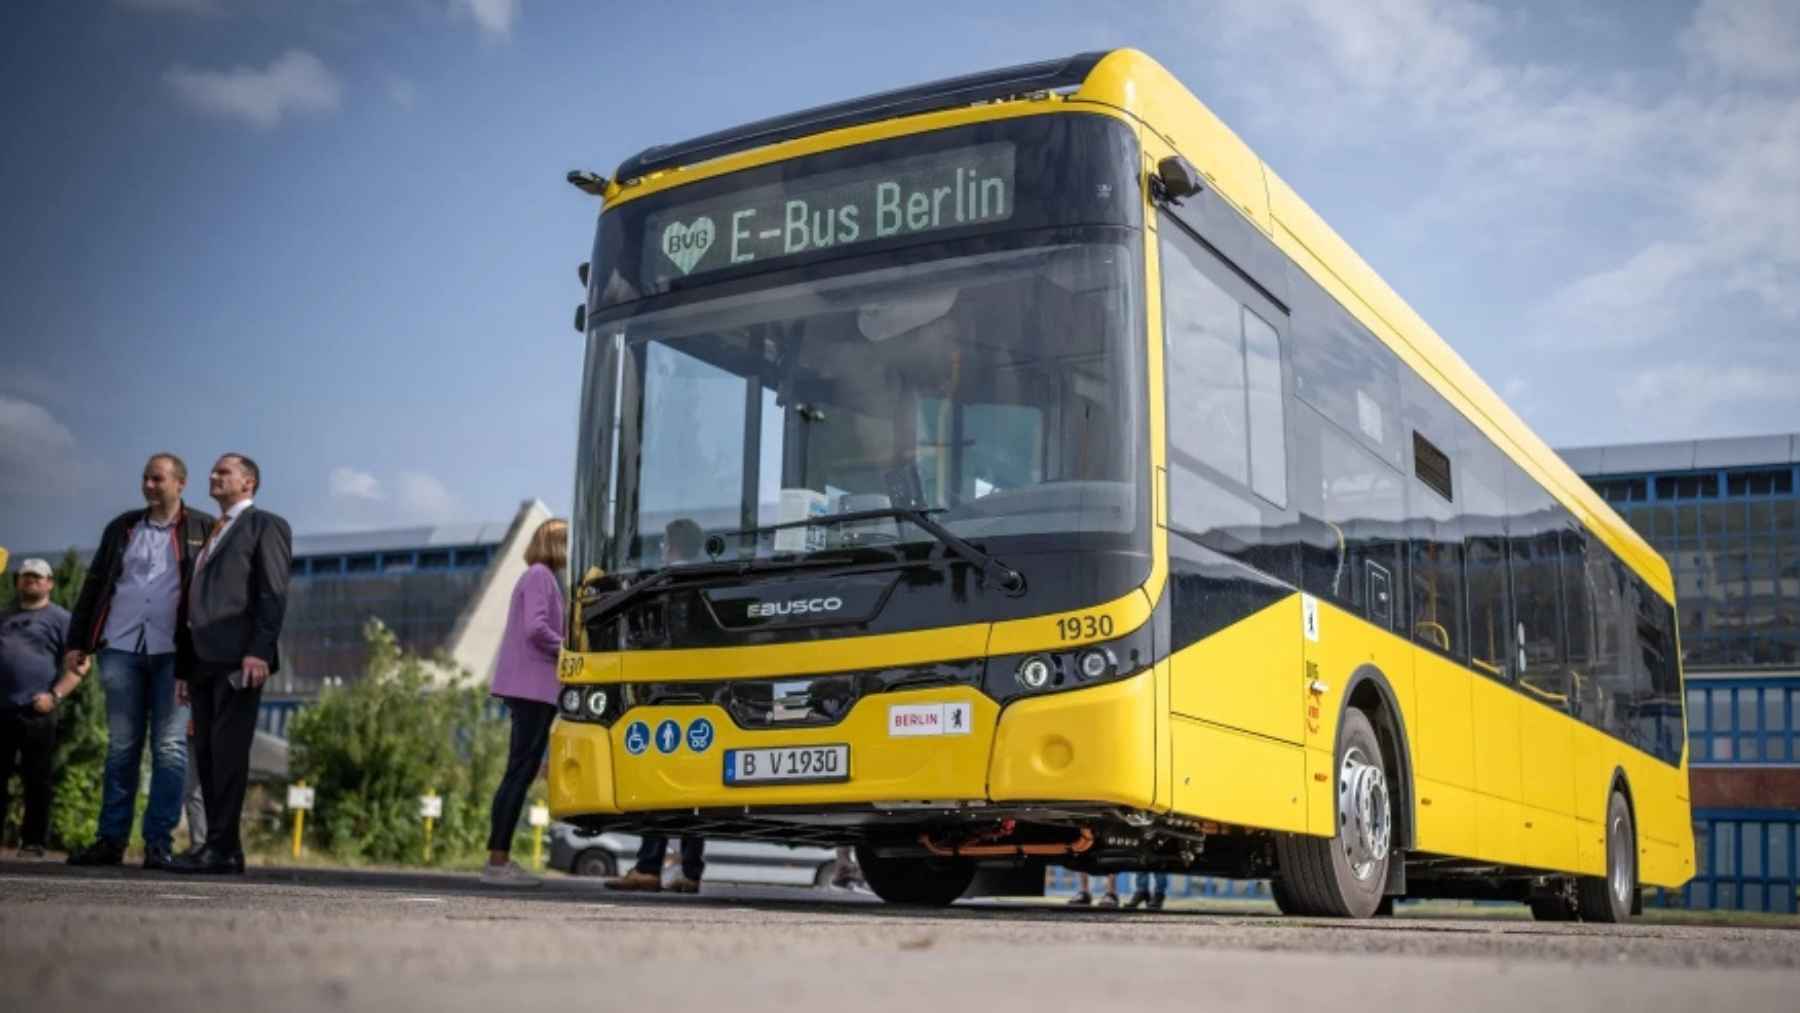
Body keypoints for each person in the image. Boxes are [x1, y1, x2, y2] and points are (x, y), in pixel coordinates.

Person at [65, 453, 215, 871]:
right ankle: (110, 840)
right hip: (122, 647)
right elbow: (96, 582)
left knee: (169, 749)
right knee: (121, 748)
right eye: (146, 478)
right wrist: (79, 641)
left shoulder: (203, 528)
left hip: (175, 654)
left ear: (180, 484)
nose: (149, 485)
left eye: (157, 479)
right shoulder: (123, 528)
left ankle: (157, 844)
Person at [169, 454, 291, 875]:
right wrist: (184, 669)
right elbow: (192, 602)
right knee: (204, 754)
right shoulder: (210, 532)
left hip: (240, 660)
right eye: (213, 471)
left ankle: (222, 849)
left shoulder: (265, 526)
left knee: (228, 755)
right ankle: (215, 847)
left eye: (223, 472)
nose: (212, 476)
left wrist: (259, 649)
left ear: (249, 482)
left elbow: (272, 594)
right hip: (202, 661)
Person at [607, 518, 707, 894]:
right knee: (695, 786)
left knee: (656, 776)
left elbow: (651, 637)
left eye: (665, 542)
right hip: (699, 693)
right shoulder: (707, 581)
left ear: (672, 544)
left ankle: (649, 867)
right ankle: (690, 872)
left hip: (664, 692)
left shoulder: (661, 582)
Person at [481, 518, 569, 887]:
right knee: (518, 773)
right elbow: (536, 628)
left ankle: (499, 858)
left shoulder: (541, 576)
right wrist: (566, 649)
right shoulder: (540, 576)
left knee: (520, 772)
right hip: (532, 689)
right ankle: (498, 862)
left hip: (532, 690)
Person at [1, 560, 89, 857]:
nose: (31, 582)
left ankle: (34, 842)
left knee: (37, 780)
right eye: (26, 577)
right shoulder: (5, 616)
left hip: (38, 711)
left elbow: (80, 665)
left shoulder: (62, 619)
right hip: (3, 709)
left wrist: (55, 695)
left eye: (37, 578)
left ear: (50, 583)